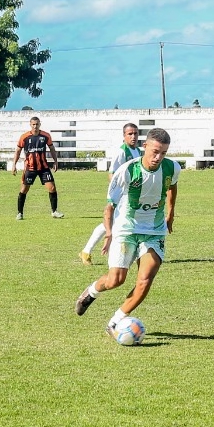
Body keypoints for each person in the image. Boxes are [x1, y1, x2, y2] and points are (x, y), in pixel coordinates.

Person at [74, 127, 179, 332]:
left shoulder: (172, 167)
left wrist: (171, 213)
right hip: (126, 229)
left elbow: (172, 186)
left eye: (163, 153)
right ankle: (91, 291)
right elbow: (109, 206)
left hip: (154, 231)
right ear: (145, 146)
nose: (158, 157)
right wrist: (109, 233)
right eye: (155, 152)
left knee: (145, 281)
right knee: (116, 280)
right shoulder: (127, 170)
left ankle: (115, 322)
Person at [80, 122, 140, 263]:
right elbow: (112, 173)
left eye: (135, 133)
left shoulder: (137, 151)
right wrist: (117, 192)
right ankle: (87, 251)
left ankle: (86, 252)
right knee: (115, 222)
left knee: (116, 222)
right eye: (130, 134)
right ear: (124, 136)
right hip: (121, 193)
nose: (133, 136)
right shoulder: (121, 152)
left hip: (131, 193)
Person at [13, 115, 62, 220]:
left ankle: (54, 211)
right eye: (33, 124)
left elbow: (52, 148)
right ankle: (20, 213)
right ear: (30, 125)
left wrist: (55, 161)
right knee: (24, 189)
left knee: (52, 188)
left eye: (37, 124)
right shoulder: (24, 137)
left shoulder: (46, 136)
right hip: (30, 168)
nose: (35, 126)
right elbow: (18, 151)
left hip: (43, 168)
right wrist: (14, 165)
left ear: (40, 124)